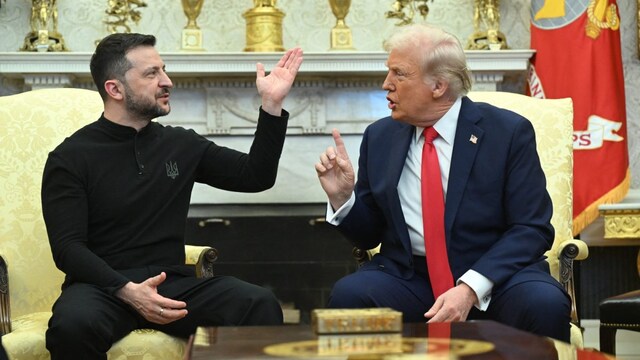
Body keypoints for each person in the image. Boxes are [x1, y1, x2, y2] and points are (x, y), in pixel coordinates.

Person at [41, 33, 302, 359]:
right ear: (115, 89)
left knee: (257, 303)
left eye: (164, 70)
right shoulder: (70, 157)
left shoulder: (181, 144)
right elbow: (68, 249)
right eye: (152, 74)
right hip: (102, 288)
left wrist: (272, 105)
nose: (167, 81)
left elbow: (256, 176)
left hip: (173, 286)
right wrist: (126, 290)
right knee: (71, 326)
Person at [314, 23, 571, 342]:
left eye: (399, 73)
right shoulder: (380, 137)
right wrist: (342, 198)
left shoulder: (507, 133)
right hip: (411, 278)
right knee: (350, 297)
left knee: (544, 303)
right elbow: (368, 235)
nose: (386, 85)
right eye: (388, 72)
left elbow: (532, 228)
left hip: (498, 276)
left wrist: (470, 288)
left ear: (438, 85)